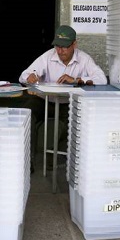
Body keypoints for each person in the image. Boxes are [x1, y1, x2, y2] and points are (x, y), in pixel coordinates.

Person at [19, 25, 107, 172]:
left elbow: (101, 79)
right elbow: (23, 75)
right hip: (45, 100)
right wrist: (30, 77)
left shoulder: (84, 59)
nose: (60, 51)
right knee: (26, 114)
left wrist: (77, 80)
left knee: (79, 120)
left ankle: (59, 157)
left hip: (68, 102)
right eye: (58, 47)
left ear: (74, 44)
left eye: (65, 47)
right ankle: (27, 161)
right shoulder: (48, 56)